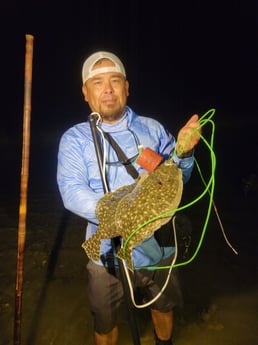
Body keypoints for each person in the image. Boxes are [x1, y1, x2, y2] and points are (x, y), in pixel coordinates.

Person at [57, 51, 201, 345]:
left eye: (115, 80)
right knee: (105, 322)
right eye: (97, 83)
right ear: (86, 93)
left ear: (127, 87)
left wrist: (184, 154)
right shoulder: (75, 139)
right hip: (106, 254)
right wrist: (122, 218)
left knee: (164, 306)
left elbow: (177, 179)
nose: (108, 89)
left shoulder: (152, 128)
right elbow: (72, 192)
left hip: (158, 246)